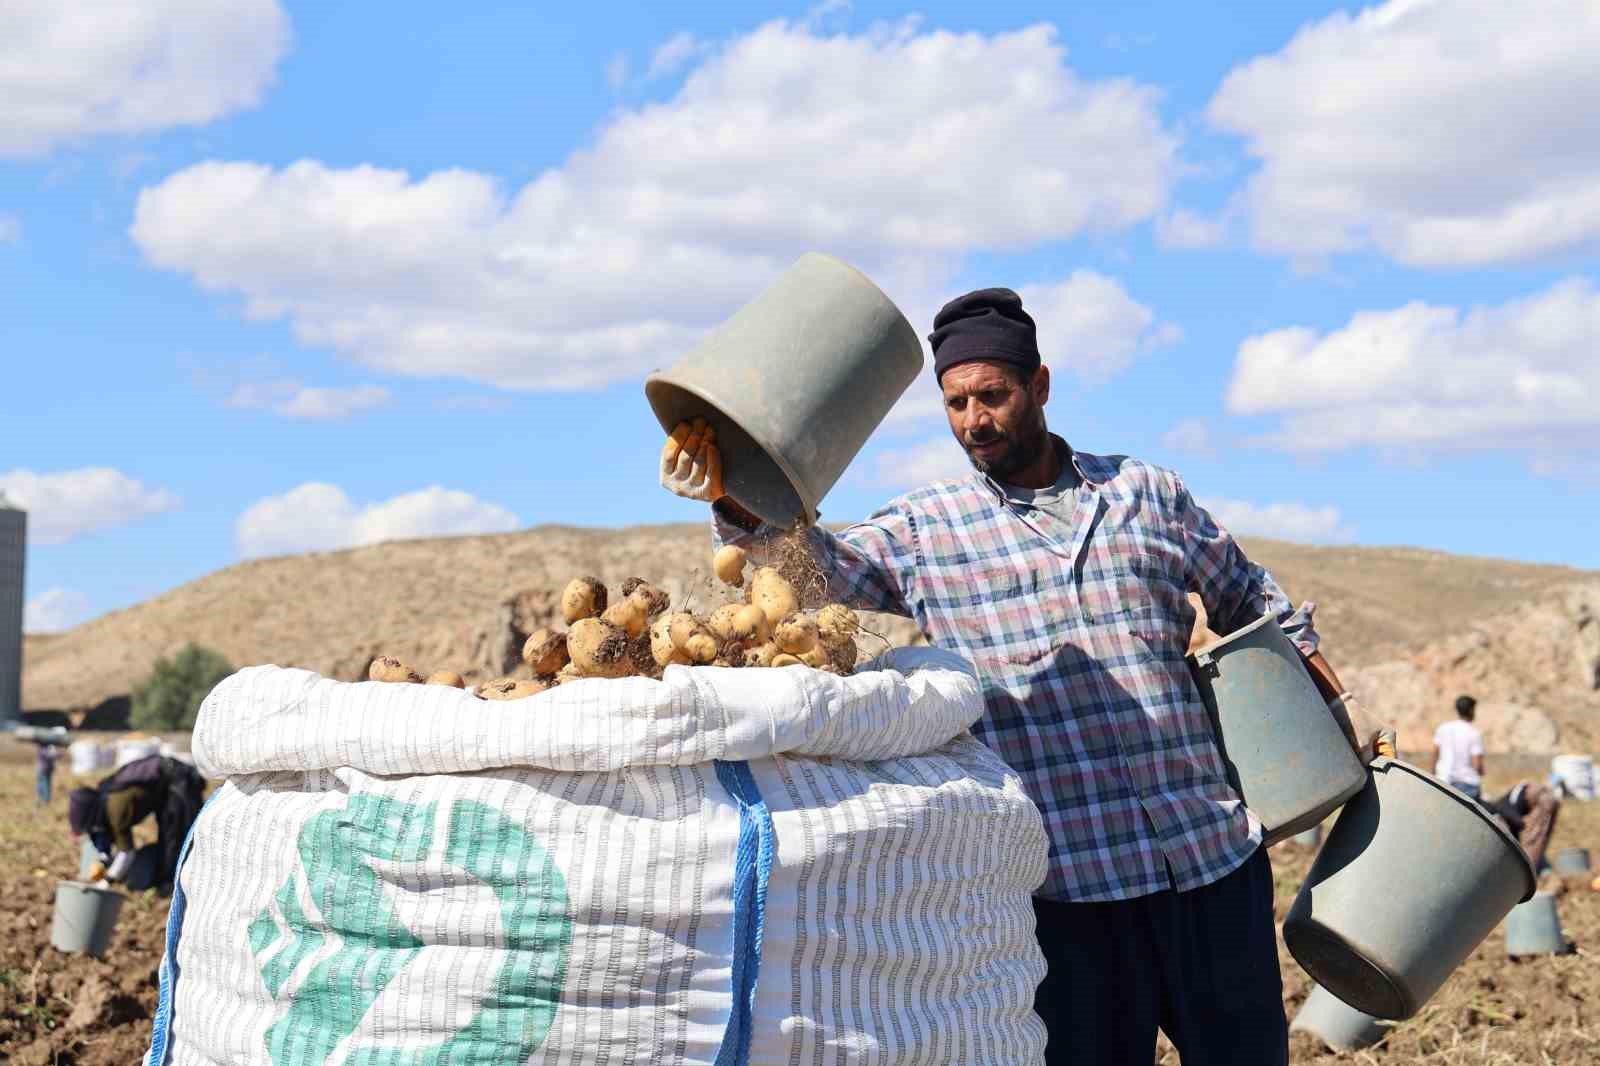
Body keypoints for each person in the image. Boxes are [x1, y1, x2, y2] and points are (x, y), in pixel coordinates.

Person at [659, 287, 1391, 1066]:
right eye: (956, 403)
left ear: (1039, 385)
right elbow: (819, 575)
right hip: (1063, 897)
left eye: (993, 396)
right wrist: (735, 498)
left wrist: (1334, 700)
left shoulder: (1146, 495)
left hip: (1207, 862)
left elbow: (1255, 599)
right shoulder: (926, 528)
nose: (975, 419)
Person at [67, 753, 205, 892]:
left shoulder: (115, 811)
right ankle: (165, 879)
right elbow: (102, 836)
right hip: (162, 784)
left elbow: (127, 852)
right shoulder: (101, 803)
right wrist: (103, 861)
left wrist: (109, 879)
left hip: (178, 779)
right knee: (169, 836)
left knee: (176, 836)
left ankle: (173, 885)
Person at [1488, 779, 1562, 874]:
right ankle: (1538, 872)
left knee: (1533, 839)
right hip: (1544, 794)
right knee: (1541, 838)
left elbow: (1515, 819)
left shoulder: (1500, 808)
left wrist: (1523, 823)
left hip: (1535, 795)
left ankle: (1527, 874)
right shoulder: (1507, 803)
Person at [1433, 694, 1485, 798]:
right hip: (1467, 785)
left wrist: (1433, 775)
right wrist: (1481, 770)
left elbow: (1435, 755)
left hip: (1443, 781)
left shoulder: (1443, 728)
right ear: (1471, 710)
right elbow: (1476, 765)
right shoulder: (1474, 733)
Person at [35, 742, 59, 806]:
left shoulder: (43, 750)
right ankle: (44, 801)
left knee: (42, 785)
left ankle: (40, 800)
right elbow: (50, 756)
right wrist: (60, 753)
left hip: (44, 770)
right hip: (43, 770)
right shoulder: (43, 750)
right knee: (45, 785)